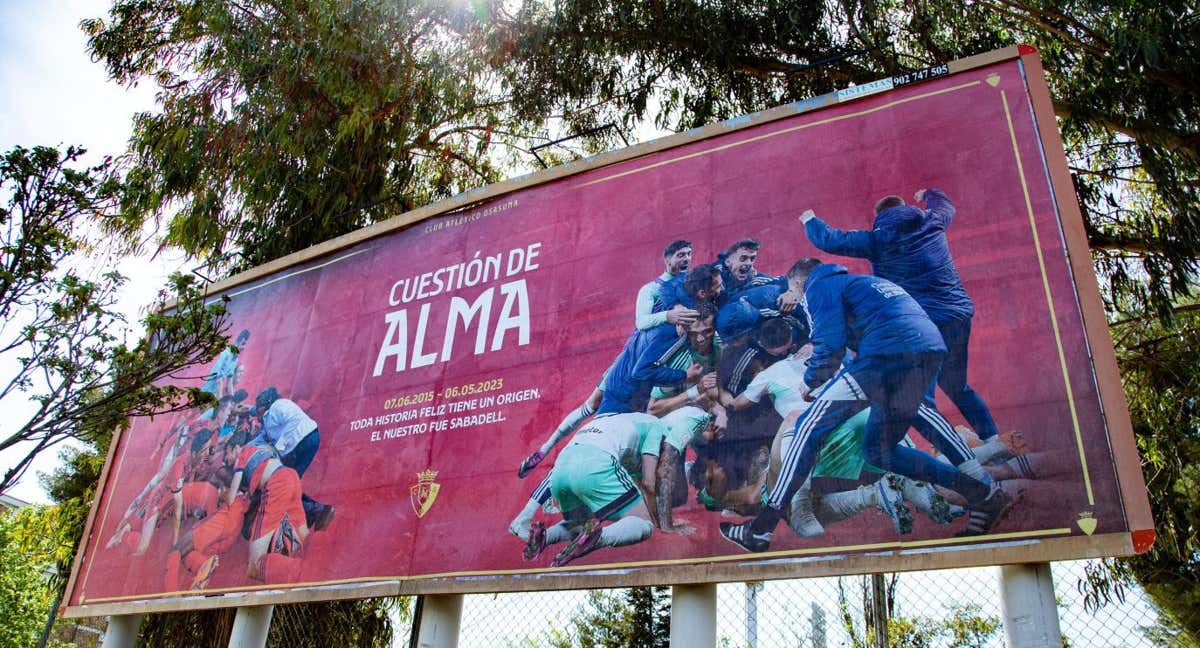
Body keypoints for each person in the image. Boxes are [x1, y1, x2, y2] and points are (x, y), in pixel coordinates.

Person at [720, 260, 1011, 553]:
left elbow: (830, 343)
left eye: (794, 290)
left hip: (885, 353)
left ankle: (761, 529)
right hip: (927, 346)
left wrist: (811, 381)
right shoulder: (860, 283)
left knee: (808, 424)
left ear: (797, 283)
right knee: (884, 447)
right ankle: (983, 492)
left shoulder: (818, 286)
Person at [801, 190, 1008, 462]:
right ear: (905, 207)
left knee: (921, 401)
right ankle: (995, 442)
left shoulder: (877, 239)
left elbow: (830, 239)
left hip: (920, 326)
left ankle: (965, 462)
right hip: (957, 317)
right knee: (957, 386)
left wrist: (809, 220)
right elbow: (946, 205)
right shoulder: (931, 222)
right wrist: (928, 194)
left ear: (879, 218)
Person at [520, 413, 671, 567]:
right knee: (643, 523)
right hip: (596, 460)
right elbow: (648, 483)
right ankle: (598, 538)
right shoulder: (658, 427)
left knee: (577, 524)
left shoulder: (622, 421)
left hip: (560, 469)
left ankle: (546, 537)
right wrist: (659, 522)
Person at [253, 387, 335, 530]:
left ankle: (315, 511)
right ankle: (314, 512)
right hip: (306, 441)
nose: (257, 412)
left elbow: (294, 420)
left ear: (266, 403)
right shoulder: (268, 416)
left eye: (258, 408)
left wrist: (279, 447)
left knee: (283, 484)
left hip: (301, 443)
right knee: (289, 483)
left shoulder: (277, 406)